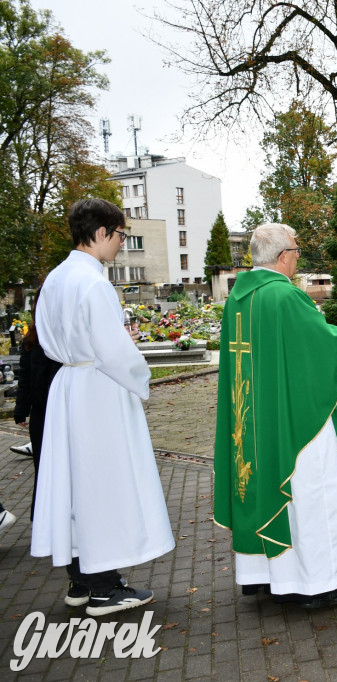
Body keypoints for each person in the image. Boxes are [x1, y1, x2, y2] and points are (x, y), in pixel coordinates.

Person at [214, 222, 337, 609]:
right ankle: (319, 583)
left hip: (254, 420)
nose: (298, 258)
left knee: (264, 488)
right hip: (296, 421)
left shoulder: (239, 297)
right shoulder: (286, 296)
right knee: (314, 493)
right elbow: (321, 349)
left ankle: (265, 577)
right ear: (284, 255)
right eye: (297, 251)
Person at [33, 197, 173, 616]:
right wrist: (141, 379)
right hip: (97, 389)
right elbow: (115, 352)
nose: (120, 244)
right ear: (100, 234)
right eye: (120, 235)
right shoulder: (93, 283)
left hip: (69, 386)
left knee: (76, 483)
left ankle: (81, 578)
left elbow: (45, 337)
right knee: (102, 484)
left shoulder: (57, 277)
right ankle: (104, 588)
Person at [13, 315, 62, 519]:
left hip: (59, 409)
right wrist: (21, 408)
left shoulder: (61, 333)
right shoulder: (32, 336)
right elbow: (24, 375)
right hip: (41, 411)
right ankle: (42, 516)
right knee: (42, 466)